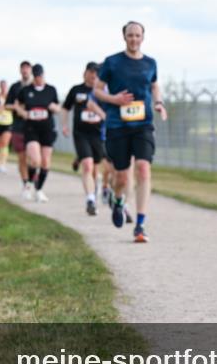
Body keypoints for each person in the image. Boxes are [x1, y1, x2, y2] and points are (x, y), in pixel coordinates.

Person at [93, 21, 167, 243]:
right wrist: (114, 99)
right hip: (118, 126)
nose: (134, 39)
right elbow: (97, 90)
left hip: (143, 124)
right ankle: (118, 201)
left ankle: (140, 224)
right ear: (124, 37)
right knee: (122, 177)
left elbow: (154, 85)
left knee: (143, 169)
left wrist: (159, 103)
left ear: (143, 37)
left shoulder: (150, 63)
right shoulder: (112, 62)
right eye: (130, 35)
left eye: (137, 35)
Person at [62, 62, 107, 215]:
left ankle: (94, 191)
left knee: (95, 167)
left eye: (96, 73)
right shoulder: (76, 90)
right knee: (87, 165)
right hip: (81, 134)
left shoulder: (103, 92)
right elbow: (65, 108)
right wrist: (64, 125)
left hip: (98, 135)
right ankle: (90, 199)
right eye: (91, 72)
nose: (93, 75)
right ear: (85, 73)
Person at [14, 63, 61, 202]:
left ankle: (39, 189)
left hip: (47, 129)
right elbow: (17, 105)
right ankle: (28, 183)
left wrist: (54, 107)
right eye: (36, 76)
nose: (38, 78)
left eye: (40, 76)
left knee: (45, 162)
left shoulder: (51, 90)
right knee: (35, 160)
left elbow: (58, 107)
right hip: (31, 129)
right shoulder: (26, 90)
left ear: (43, 75)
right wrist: (23, 113)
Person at [4, 61, 34, 194]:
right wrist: (17, 107)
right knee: (22, 157)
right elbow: (7, 105)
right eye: (23, 69)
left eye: (27, 68)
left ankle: (33, 179)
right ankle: (26, 183)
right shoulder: (15, 87)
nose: (25, 71)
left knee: (33, 157)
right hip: (18, 125)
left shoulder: (36, 86)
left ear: (31, 70)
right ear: (20, 71)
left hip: (34, 127)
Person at [0, 79, 13, 173]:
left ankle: (3, 163)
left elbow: (14, 108)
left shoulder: (10, 97)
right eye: (1, 86)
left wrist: (5, 107)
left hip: (8, 122)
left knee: (5, 143)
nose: (3, 87)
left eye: (4, 86)